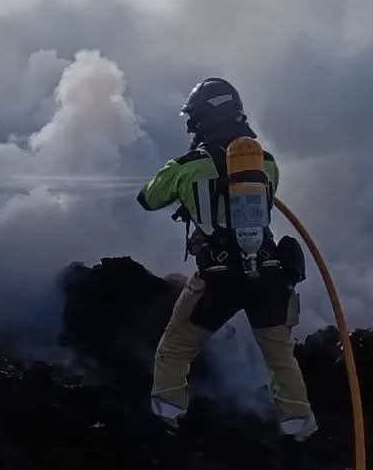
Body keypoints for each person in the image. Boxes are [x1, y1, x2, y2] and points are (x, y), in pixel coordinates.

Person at [135, 77, 317, 440]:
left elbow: (149, 198)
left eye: (193, 118)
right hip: (269, 274)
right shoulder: (266, 163)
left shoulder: (187, 167)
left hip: (217, 278)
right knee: (281, 357)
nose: (190, 125)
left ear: (204, 117)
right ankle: (299, 428)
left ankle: (166, 418)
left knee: (176, 347)